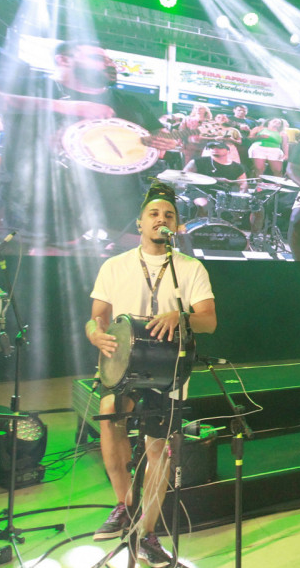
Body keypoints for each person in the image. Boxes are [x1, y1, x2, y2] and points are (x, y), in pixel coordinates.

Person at [84, 183, 217, 567]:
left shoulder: (189, 268)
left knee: (158, 447)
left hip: (169, 367)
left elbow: (208, 321)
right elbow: (97, 317)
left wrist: (183, 316)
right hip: (121, 364)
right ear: (141, 222)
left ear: (176, 226)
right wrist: (95, 333)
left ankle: (147, 531)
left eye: (169, 216)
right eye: (154, 214)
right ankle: (125, 504)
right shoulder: (115, 265)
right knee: (110, 417)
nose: (161, 220)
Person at [0, 41, 178, 246]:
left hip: (120, 200)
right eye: (98, 58)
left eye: (111, 60)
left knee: (142, 259)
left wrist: (162, 141)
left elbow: (161, 133)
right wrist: (64, 106)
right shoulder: (33, 86)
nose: (110, 64)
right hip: (44, 201)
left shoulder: (128, 101)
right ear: (63, 60)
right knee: (54, 275)